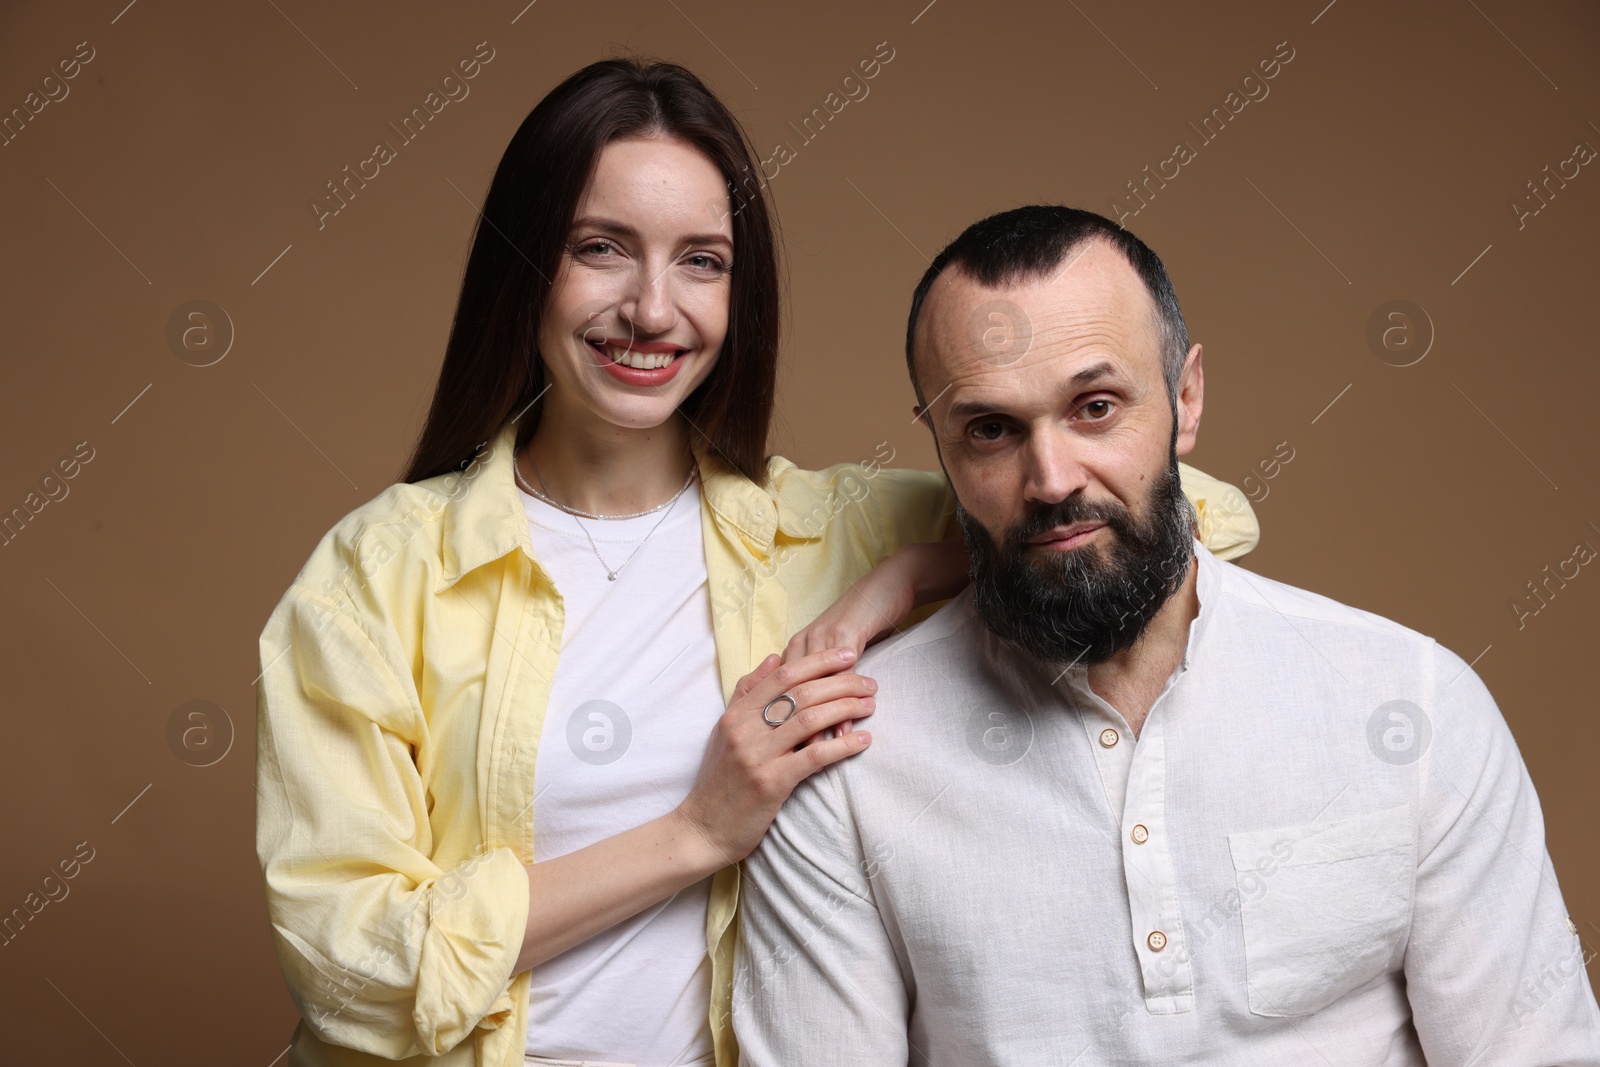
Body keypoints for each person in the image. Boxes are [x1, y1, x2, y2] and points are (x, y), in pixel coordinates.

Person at [253, 65, 1258, 1067]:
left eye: (700, 260)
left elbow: (1195, 510)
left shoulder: (827, 533)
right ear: (526, 263)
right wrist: (697, 829)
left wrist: (907, 571)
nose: (651, 309)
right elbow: (351, 972)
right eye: (600, 249)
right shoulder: (378, 573)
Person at [734, 205, 1600, 1065]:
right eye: (991, 429)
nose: (1051, 478)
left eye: (1096, 406)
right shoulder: (846, 770)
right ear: (942, 444)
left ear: (1185, 399)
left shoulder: (1413, 705)